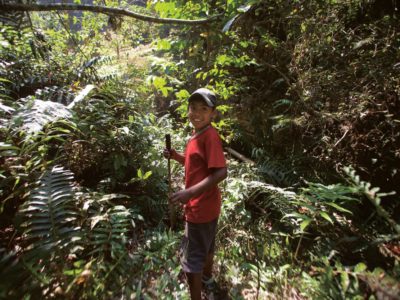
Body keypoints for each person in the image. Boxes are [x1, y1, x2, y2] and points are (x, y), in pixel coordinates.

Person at [163, 88, 227, 300]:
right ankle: (208, 279)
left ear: (213, 113)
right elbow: (194, 163)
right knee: (207, 247)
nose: (196, 113)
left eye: (204, 109)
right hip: (209, 206)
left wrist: (189, 193)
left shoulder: (210, 136)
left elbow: (221, 172)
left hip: (199, 209)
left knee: (192, 261)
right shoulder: (197, 135)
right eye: (193, 108)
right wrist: (175, 155)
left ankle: (196, 295)